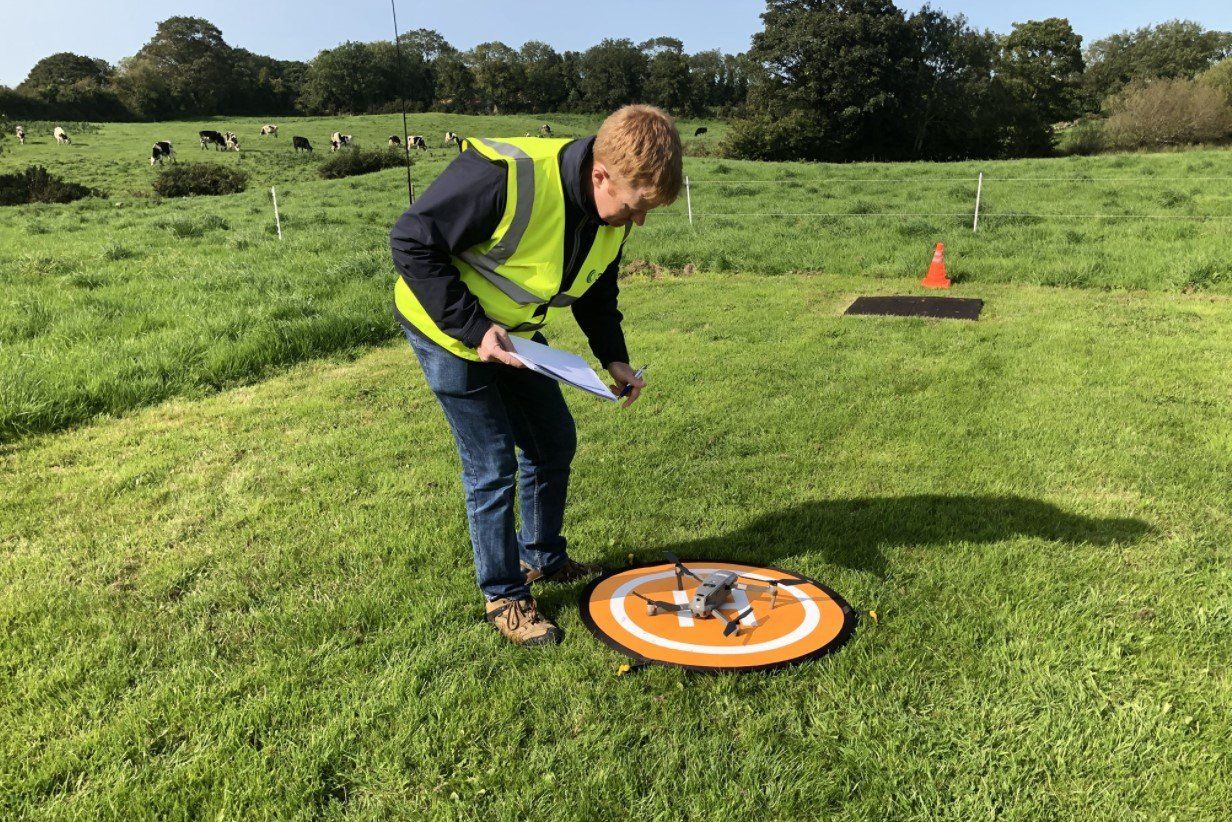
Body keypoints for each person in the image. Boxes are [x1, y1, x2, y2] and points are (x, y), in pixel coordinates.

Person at [390, 105, 683, 646]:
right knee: (492, 463)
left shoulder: (609, 211)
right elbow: (411, 240)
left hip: (517, 335)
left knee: (552, 442)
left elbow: (595, 289)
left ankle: (543, 558)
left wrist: (614, 357)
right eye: (634, 207)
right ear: (600, 174)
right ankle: (504, 595)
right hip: (448, 331)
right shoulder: (504, 177)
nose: (638, 221)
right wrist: (475, 328)